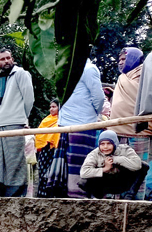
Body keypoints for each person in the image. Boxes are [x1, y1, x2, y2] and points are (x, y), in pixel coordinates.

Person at [47, 59, 107, 198]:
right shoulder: (66, 70)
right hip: (66, 126)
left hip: (83, 124)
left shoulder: (89, 69)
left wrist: (92, 114)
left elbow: (99, 98)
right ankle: (67, 197)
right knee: (67, 164)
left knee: (82, 164)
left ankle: (79, 198)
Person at [0, 47, 34, 197]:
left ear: (12, 59)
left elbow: (29, 99)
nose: (7, 61)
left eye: (9, 58)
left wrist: (22, 118)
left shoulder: (21, 74)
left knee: (15, 162)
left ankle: (15, 195)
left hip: (15, 123)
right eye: (3, 59)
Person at [107, 47, 152, 199]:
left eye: (123, 59)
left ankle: (136, 204)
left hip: (139, 132)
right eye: (119, 60)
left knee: (138, 167)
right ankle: (117, 204)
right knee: (117, 168)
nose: (120, 63)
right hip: (117, 132)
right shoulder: (123, 78)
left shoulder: (146, 74)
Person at [79, 130, 150, 199]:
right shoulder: (94, 154)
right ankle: (98, 198)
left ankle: (128, 196)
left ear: (115, 143)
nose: (105, 147)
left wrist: (116, 159)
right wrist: (105, 169)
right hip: (105, 182)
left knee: (143, 166)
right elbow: (84, 172)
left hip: (121, 181)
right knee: (84, 181)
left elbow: (137, 165)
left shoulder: (125, 149)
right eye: (102, 144)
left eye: (109, 143)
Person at [34, 100, 60, 197]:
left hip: (55, 149)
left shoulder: (61, 120)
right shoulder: (46, 120)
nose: (51, 109)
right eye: (51, 107)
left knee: (52, 172)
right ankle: (41, 195)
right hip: (44, 149)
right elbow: (39, 135)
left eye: (54, 107)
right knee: (42, 171)